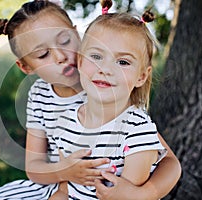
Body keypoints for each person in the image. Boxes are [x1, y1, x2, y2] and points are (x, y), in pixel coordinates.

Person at [0, 0, 181, 199]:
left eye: (65, 41)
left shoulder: (106, 87)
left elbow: (169, 162)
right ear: (26, 67)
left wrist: (143, 194)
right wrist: (64, 172)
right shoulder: (39, 94)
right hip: (58, 183)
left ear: (77, 34)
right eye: (43, 54)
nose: (60, 56)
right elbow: (34, 167)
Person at [49, 1, 173, 199]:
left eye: (122, 62)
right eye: (96, 56)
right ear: (80, 62)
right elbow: (64, 190)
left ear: (141, 76)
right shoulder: (66, 122)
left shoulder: (137, 131)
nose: (105, 69)